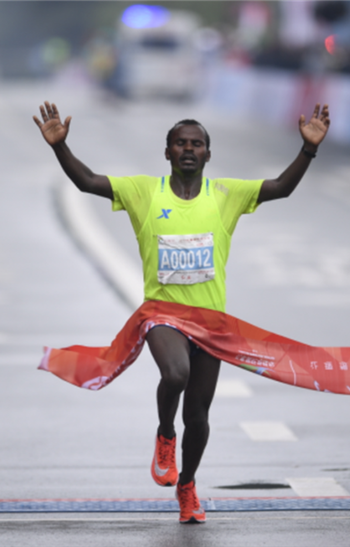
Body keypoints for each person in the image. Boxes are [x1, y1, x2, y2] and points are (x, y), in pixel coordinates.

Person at [33, 101, 330, 523]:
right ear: (167, 152)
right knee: (175, 374)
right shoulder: (144, 192)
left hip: (211, 323)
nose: (188, 149)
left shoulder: (226, 194)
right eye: (179, 143)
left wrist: (308, 150)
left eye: (197, 144)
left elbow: (281, 186)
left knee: (200, 416)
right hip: (162, 314)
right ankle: (164, 434)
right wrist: (60, 147)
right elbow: (86, 181)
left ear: (208, 154)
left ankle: (188, 485)